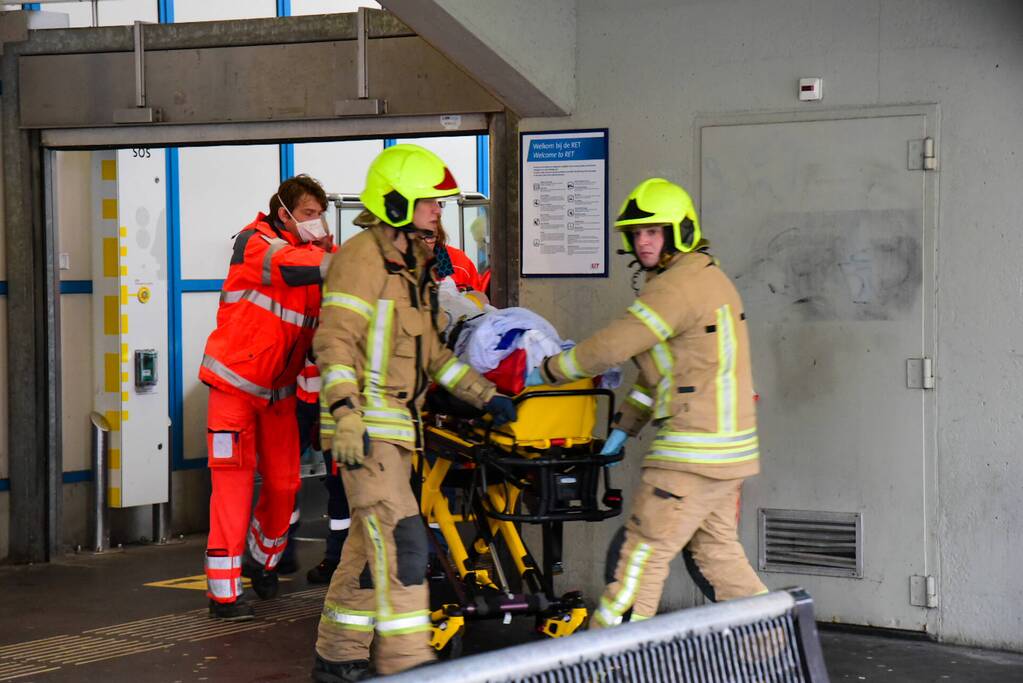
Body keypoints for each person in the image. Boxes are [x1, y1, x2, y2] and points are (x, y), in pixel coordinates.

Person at [311, 144, 516, 680]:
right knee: (403, 542)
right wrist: (346, 413)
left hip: (397, 432)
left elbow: (435, 357)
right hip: (365, 431)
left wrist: (484, 395)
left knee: (363, 549)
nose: (438, 212)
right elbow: (333, 341)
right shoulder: (361, 260)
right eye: (431, 202)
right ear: (398, 202)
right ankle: (410, 667)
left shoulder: (412, 269)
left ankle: (337, 659)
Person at [528, 178, 767, 628]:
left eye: (653, 231)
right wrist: (624, 428)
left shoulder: (675, 287)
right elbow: (662, 376)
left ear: (679, 231)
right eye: (636, 233)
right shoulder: (702, 277)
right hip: (724, 453)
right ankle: (776, 648)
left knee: (641, 554)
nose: (642, 241)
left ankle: (609, 660)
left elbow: (612, 345)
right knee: (720, 557)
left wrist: (548, 371)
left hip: (691, 453)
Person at [199, 175, 334, 621]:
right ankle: (224, 593)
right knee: (233, 488)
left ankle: (262, 560)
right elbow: (290, 265)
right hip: (233, 389)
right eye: (310, 215)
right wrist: (337, 261)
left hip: (278, 394)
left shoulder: (318, 257)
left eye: (321, 215)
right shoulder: (254, 243)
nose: (318, 223)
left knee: (285, 486)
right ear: (285, 214)